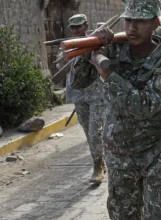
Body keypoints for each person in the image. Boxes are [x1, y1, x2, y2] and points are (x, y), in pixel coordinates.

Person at [84, 0, 161, 218]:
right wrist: (91, 49)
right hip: (119, 153)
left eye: (141, 21)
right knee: (122, 214)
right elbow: (79, 82)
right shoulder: (115, 49)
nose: (132, 28)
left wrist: (109, 74)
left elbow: (145, 106)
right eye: (128, 20)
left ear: (155, 23)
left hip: (157, 149)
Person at [56, 14, 105, 184]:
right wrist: (67, 57)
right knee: (87, 131)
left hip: (97, 94)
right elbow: (59, 66)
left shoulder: (95, 42)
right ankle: (100, 158)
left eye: (79, 26)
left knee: (95, 132)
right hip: (79, 95)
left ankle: (98, 166)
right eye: (73, 27)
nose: (76, 30)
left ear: (86, 26)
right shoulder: (67, 46)